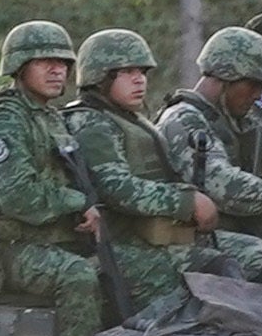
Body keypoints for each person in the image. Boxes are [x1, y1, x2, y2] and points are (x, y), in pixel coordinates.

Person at [64, 29, 230, 316]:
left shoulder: (127, 118)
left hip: (150, 236)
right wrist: (186, 202)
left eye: (142, 71)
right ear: (100, 78)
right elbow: (116, 188)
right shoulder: (91, 123)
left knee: (248, 255)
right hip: (119, 244)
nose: (139, 79)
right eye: (127, 72)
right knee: (218, 269)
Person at [0, 19, 100, 310]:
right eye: (45, 62)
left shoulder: (49, 116)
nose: (57, 70)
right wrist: (78, 202)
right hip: (7, 251)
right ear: (20, 67)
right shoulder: (6, 118)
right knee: (79, 276)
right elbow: (18, 197)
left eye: (62, 63)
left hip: (49, 242)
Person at [151, 27, 262, 279]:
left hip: (227, 231)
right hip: (185, 239)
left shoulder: (237, 120)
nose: (258, 96)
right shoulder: (183, 120)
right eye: (253, 85)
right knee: (255, 255)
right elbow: (221, 183)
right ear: (224, 77)